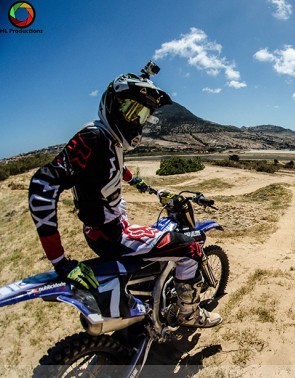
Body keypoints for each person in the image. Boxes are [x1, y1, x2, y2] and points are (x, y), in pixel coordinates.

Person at [28, 63, 222, 328]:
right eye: (130, 110)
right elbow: (42, 186)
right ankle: (189, 315)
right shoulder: (93, 137)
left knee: (161, 237)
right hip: (112, 234)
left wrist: (139, 182)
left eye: (142, 114)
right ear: (111, 103)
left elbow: (112, 166)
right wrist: (60, 262)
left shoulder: (109, 141)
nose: (136, 121)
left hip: (106, 229)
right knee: (190, 246)